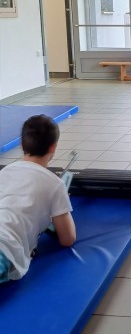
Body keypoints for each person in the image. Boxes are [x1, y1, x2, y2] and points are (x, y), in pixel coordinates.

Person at [0, 114, 76, 283]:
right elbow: (67, 239)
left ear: (22, 144)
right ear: (53, 147)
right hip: (5, 246)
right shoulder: (55, 184)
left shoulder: (4, 172)